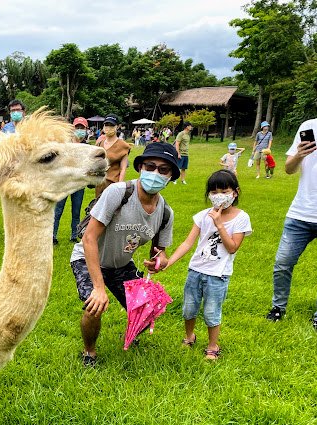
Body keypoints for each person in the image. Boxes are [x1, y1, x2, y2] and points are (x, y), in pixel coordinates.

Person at [72, 142, 177, 366]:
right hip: (88, 257)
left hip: (120, 264)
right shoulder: (118, 193)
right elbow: (89, 238)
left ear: (171, 177)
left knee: (148, 306)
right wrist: (99, 288)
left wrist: (160, 259)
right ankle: (89, 352)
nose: (155, 173)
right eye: (150, 166)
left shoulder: (166, 213)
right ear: (140, 168)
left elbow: (160, 251)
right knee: (94, 306)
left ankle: (129, 337)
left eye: (163, 170)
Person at [161, 170, 251, 360]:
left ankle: (212, 345)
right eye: (214, 191)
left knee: (212, 311)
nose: (219, 196)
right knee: (189, 308)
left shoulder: (241, 218)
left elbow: (232, 247)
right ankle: (189, 336)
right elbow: (188, 243)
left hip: (218, 275)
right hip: (196, 270)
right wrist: (169, 262)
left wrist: (219, 224)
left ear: (235, 192)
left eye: (224, 191)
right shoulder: (202, 216)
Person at [266, 119, 317, 329]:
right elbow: (288, 169)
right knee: (282, 263)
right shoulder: (308, 126)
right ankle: (278, 307)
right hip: (300, 213)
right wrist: (299, 155)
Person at [53, 117, 88, 244]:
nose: (79, 130)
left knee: (76, 211)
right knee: (58, 210)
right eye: (77, 127)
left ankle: (74, 235)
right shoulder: (65, 145)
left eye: (82, 128)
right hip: (64, 183)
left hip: (79, 184)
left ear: (86, 130)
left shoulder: (87, 148)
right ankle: (53, 236)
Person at [94, 114, 131, 197]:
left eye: (111, 125)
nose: (108, 127)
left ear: (117, 127)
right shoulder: (99, 143)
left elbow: (123, 168)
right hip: (99, 184)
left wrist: (119, 186)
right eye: (106, 125)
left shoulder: (123, 146)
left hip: (113, 184)